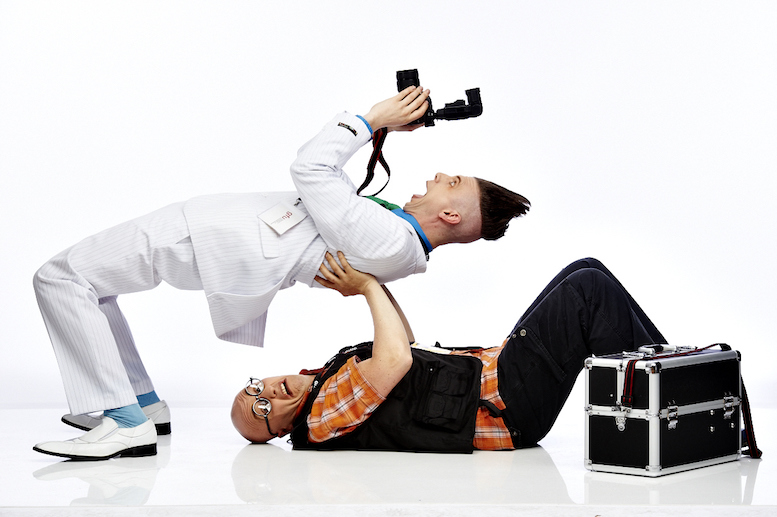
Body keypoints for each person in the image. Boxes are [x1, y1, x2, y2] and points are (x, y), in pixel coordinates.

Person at [32, 87, 530, 461]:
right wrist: (378, 132)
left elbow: (312, 168)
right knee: (94, 289)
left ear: (451, 216)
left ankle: (125, 422)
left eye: (452, 182)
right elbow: (332, 196)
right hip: (211, 238)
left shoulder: (390, 239)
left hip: (205, 239)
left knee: (61, 278)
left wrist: (371, 119)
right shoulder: (396, 236)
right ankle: (141, 404)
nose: (438, 176)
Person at [231, 252, 666, 451]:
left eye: (254, 388)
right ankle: (669, 400)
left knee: (585, 270)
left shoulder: (326, 380)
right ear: (279, 433)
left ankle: (671, 374)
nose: (267, 392)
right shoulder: (320, 417)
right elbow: (397, 360)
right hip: (504, 405)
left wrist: (373, 282)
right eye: (262, 409)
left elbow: (405, 344)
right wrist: (365, 287)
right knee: (587, 290)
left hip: (497, 374)